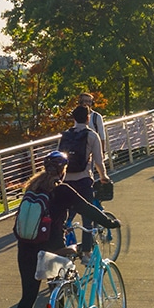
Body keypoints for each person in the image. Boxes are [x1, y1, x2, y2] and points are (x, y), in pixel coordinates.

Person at [10, 150, 121, 308]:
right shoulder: (63, 191)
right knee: (59, 286)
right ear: (64, 170)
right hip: (52, 250)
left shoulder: (32, 188)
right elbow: (87, 209)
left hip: (26, 248)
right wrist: (110, 223)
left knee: (28, 297)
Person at [60, 105, 109, 249]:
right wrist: (103, 177)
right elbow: (99, 162)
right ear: (88, 118)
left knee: (65, 217)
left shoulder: (65, 135)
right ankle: (87, 253)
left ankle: (62, 247)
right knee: (87, 219)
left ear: (74, 119)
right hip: (83, 180)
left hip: (66, 181)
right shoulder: (92, 136)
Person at [78, 92, 107, 159]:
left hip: (94, 146)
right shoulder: (78, 116)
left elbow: (102, 135)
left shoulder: (97, 117)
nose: (87, 103)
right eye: (85, 101)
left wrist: (103, 151)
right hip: (81, 147)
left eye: (89, 101)